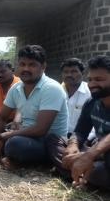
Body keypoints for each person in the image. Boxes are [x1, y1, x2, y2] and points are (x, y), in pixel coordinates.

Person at [0, 45, 68, 169]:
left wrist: (7, 136)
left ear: (43, 67)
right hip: (24, 135)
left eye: (32, 65)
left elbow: (41, 129)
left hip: (47, 142)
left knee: (14, 143)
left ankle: (11, 155)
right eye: (22, 64)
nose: (26, 69)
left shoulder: (51, 88)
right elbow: (2, 117)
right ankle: (3, 154)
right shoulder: (16, 88)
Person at [46, 55, 110, 191]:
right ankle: (82, 176)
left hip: (104, 156)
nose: (92, 84)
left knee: (98, 169)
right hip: (96, 153)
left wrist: (90, 155)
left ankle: (83, 176)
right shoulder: (92, 102)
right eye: (90, 79)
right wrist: (73, 145)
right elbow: (80, 131)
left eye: (99, 79)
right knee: (53, 140)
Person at [60, 58, 91, 137]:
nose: (69, 75)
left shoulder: (90, 92)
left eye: (74, 71)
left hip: (83, 137)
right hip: (58, 136)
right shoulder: (55, 91)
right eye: (66, 72)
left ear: (82, 73)